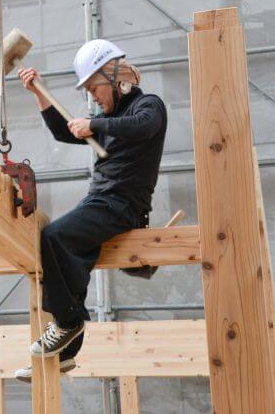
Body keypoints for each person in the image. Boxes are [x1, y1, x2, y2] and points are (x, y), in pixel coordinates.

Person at [13, 39, 167, 382]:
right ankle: (67, 353)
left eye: (94, 88)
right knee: (73, 264)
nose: (93, 97)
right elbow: (63, 131)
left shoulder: (148, 106)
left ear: (113, 76)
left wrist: (94, 125)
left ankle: (67, 322)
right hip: (101, 202)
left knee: (53, 236)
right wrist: (41, 95)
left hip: (122, 204)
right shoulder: (109, 118)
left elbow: (143, 126)